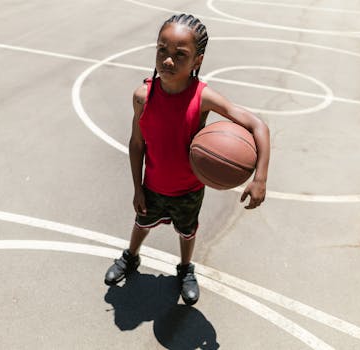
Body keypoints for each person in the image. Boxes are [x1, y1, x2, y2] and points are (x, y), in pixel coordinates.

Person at [104, 13, 270, 306]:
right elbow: (136, 143)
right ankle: (130, 257)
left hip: (189, 189)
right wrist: (137, 187)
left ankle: (185, 270)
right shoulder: (143, 96)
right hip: (153, 184)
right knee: (141, 222)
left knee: (187, 231)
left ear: (197, 61)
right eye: (162, 50)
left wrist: (260, 179)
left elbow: (258, 126)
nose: (168, 60)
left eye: (180, 55)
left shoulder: (202, 98)